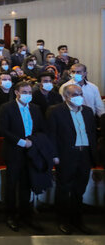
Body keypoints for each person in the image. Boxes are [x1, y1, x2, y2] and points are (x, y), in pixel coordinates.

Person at [47, 84, 98, 235]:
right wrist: (54, 155)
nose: (79, 96)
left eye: (80, 93)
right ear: (66, 96)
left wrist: (93, 155)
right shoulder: (56, 111)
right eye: (75, 94)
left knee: (79, 189)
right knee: (64, 189)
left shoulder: (88, 111)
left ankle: (77, 220)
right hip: (66, 155)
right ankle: (62, 220)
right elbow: (52, 135)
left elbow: (92, 134)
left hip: (84, 155)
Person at [0, 81, 48, 232]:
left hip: (31, 150)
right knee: (12, 185)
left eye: (29, 92)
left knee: (26, 184)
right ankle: (10, 216)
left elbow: (41, 128)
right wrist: (21, 142)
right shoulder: (6, 108)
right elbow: (3, 129)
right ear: (16, 93)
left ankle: (26, 216)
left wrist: (33, 141)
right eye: (24, 92)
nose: (28, 95)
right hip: (14, 150)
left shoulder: (35, 108)